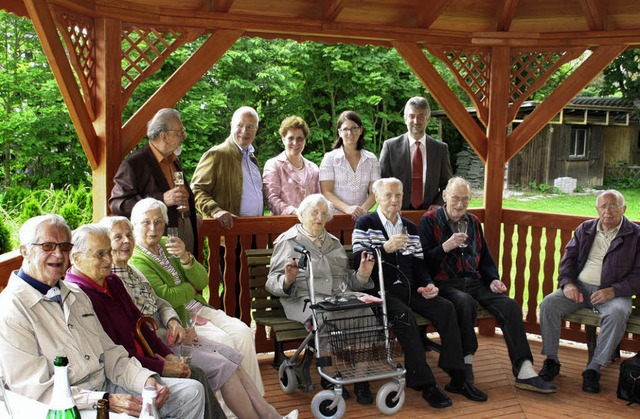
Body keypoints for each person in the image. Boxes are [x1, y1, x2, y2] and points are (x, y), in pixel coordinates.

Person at [67, 224, 297, 419]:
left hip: (154, 349)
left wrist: (166, 354)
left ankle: (267, 415)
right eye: (101, 254)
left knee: (220, 359)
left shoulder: (113, 280)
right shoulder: (80, 294)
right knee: (198, 375)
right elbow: (115, 351)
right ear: (76, 258)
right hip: (129, 369)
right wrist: (162, 363)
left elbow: (142, 322)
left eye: (109, 252)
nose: (109, 258)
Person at [0, 214, 205, 418]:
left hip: (106, 384)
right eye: (47, 246)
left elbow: (110, 352)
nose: (58, 254)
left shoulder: (75, 295)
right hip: (67, 405)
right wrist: (106, 400)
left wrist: (145, 380)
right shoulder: (11, 310)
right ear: (24, 251)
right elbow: (36, 391)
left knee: (191, 393)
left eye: (64, 247)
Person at [352, 178, 487, 408]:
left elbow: (418, 265)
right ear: (377, 197)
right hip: (380, 293)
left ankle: (457, 376)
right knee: (404, 316)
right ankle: (425, 384)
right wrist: (384, 249)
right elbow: (359, 263)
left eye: (398, 195)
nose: (394, 200)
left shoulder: (409, 226)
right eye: (388, 195)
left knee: (445, 307)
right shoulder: (365, 223)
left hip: (410, 288)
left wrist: (427, 283)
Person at [419, 177, 556, 394]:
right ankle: (466, 360)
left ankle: (524, 370)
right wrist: (445, 247)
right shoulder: (429, 221)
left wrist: (493, 279)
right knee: (463, 302)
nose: (460, 204)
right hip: (445, 283)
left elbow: (485, 259)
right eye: (455, 198)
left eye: (465, 199)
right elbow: (423, 261)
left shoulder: (473, 222)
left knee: (510, 306)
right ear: (445, 196)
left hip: (475, 281)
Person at [128, 197, 264, 396]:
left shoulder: (169, 244)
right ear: (134, 225)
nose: (153, 228)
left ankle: (257, 400)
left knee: (242, 332)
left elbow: (202, 281)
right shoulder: (136, 258)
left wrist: (184, 257)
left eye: (158, 222)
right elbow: (168, 297)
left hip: (197, 307)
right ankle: (228, 412)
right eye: (146, 222)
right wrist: (190, 287)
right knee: (224, 341)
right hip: (179, 317)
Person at [266, 194, 376, 404]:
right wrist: (287, 279)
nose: (319, 217)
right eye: (314, 212)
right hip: (303, 300)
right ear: (301, 215)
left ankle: (362, 379)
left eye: (324, 213)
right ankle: (331, 375)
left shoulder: (333, 243)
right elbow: (272, 281)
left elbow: (346, 281)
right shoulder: (288, 241)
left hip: (335, 298)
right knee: (323, 317)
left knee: (366, 312)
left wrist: (362, 274)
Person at [538, 190, 640, 394]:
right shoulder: (585, 229)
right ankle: (551, 360)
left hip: (614, 293)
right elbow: (568, 261)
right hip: (581, 289)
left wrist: (614, 290)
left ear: (624, 208)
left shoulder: (635, 235)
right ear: (597, 209)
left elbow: (638, 275)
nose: (607, 211)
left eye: (613, 206)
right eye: (603, 206)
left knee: (618, 313)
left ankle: (593, 369)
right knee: (549, 304)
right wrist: (568, 284)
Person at [109, 108, 199, 254]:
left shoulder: (174, 160)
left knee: (187, 272)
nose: (183, 137)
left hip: (184, 226)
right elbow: (118, 203)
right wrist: (161, 199)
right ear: (164, 136)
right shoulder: (135, 163)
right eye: (179, 132)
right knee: (168, 275)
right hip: (157, 238)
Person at [191, 106, 263, 229]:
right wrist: (215, 211)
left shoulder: (252, 159)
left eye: (250, 126)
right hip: (229, 233)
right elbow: (196, 190)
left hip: (255, 231)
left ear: (256, 129)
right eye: (240, 125)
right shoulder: (216, 154)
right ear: (231, 126)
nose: (244, 131)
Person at [380, 96, 453, 211]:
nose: (416, 121)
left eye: (420, 116)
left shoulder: (440, 149)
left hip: (429, 215)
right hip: (396, 215)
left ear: (428, 119)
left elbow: (447, 184)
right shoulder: (390, 147)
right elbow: (382, 182)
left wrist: (439, 204)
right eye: (412, 116)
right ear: (405, 118)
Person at [319, 110, 380, 219]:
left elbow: (374, 192)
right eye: (346, 129)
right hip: (334, 218)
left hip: (363, 217)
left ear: (361, 130)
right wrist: (347, 209)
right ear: (339, 132)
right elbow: (326, 192)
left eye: (354, 128)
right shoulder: (330, 159)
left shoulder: (371, 159)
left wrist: (362, 210)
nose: (350, 133)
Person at [263, 115, 320, 215]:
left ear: (305, 140)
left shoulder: (313, 168)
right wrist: (293, 212)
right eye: (290, 138)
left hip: (310, 225)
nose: (295, 143)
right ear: (283, 139)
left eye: (300, 139)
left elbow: (318, 198)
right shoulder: (273, 165)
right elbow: (270, 198)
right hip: (282, 225)